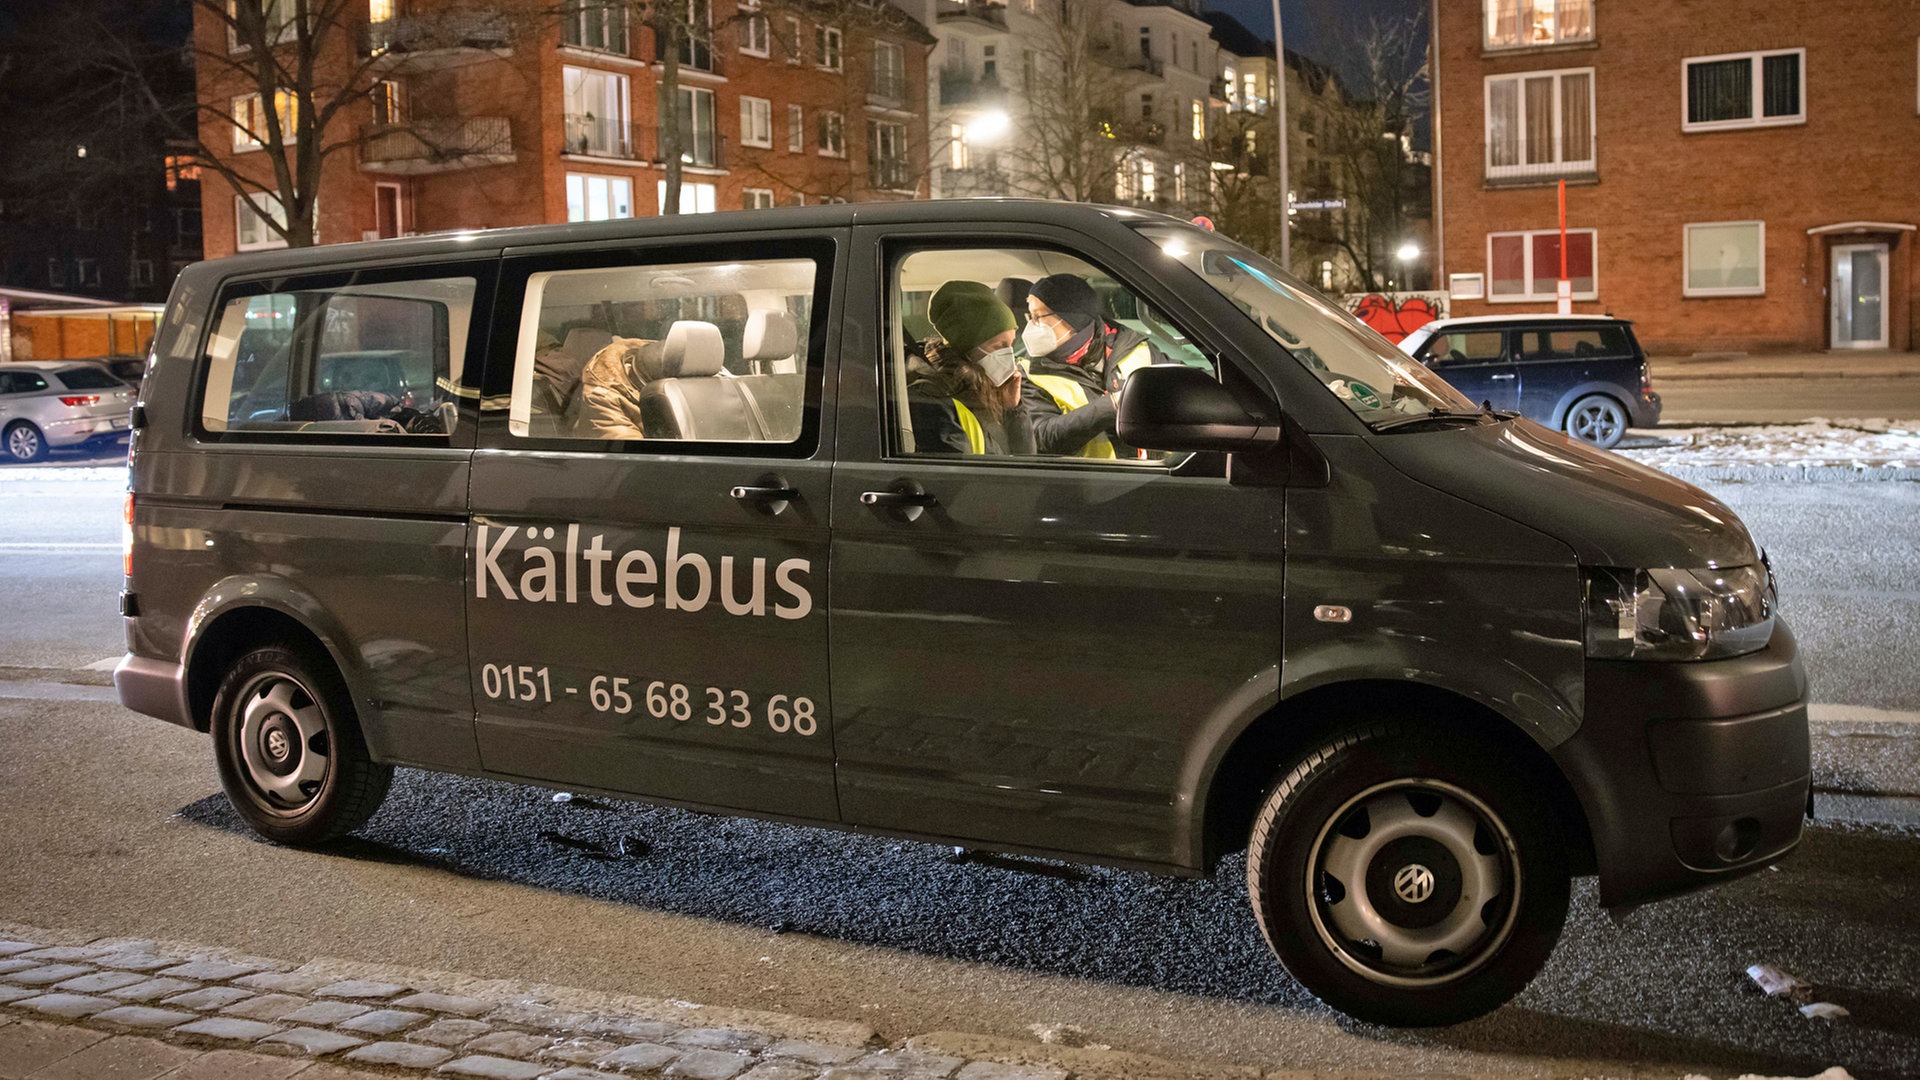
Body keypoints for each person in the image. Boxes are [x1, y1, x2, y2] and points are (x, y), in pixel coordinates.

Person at [1018, 273, 1162, 457]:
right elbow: (1044, 436)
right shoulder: (1030, 373)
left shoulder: (1134, 347)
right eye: (1030, 316)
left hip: (1159, 474)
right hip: (1090, 481)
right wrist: (1110, 406)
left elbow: (1182, 389)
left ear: (1071, 318)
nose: (1031, 325)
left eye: (1038, 316)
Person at [907, 281, 1035, 455]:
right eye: (998, 346)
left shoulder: (989, 393)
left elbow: (1026, 467)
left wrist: (1013, 410)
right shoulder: (933, 400)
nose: (1008, 355)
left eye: (1011, 344)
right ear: (967, 347)